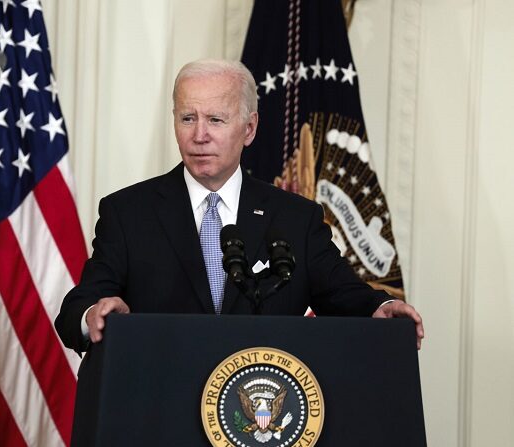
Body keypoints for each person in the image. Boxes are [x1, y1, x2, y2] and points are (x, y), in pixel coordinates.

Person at [54, 59, 424, 354]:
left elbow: (344, 295)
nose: (199, 135)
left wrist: (379, 308)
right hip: (161, 408)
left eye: (215, 120)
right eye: (188, 118)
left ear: (249, 129)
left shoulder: (295, 218)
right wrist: (94, 315)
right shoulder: (128, 212)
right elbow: (78, 308)